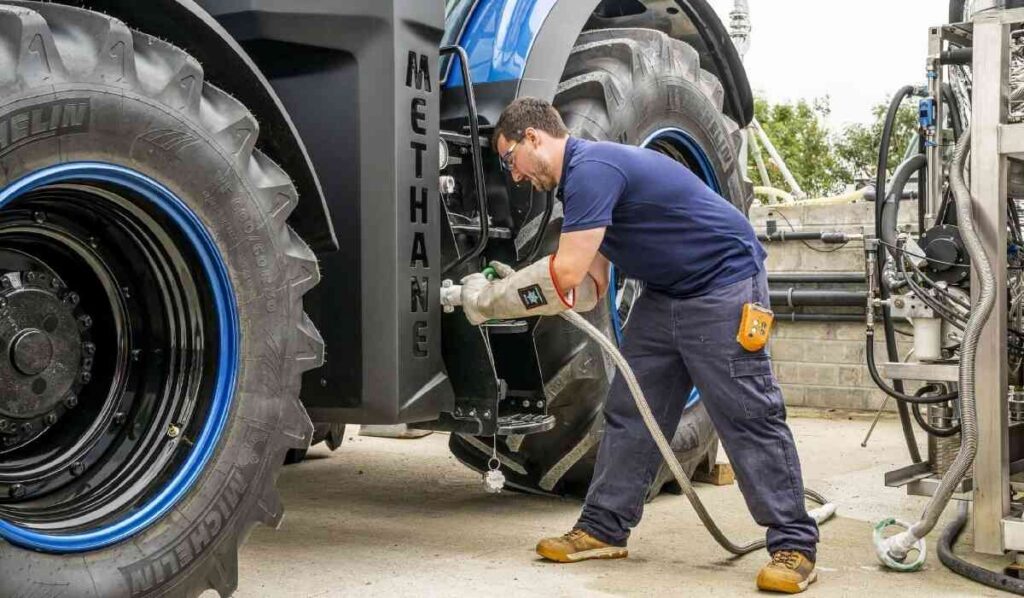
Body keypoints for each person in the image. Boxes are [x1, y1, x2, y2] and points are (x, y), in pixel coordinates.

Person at [457, 97, 819, 594]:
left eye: (509, 159)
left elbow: (563, 275)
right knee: (632, 410)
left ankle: (795, 545)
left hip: (723, 283)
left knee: (746, 412)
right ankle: (604, 527)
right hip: (666, 292)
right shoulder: (580, 185)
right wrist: (516, 286)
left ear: (533, 138)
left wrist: (489, 300)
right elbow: (589, 285)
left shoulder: (592, 169)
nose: (514, 175)